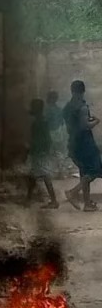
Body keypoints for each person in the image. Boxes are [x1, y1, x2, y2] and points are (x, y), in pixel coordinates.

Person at [64, 80, 101, 211]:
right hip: (85, 143)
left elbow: (73, 124)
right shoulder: (82, 107)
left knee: (84, 172)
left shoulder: (68, 106)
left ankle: (87, 204)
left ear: (72, 90)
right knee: (96, 170)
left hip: (74, 142)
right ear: (83, 91)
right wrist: (96, 121)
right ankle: (73, 192)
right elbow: (85, 126)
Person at [27, 97, 59, 208]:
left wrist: (32, 151)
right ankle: (28, 200)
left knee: (42, 175)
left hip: (39, 153)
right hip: (41, 152)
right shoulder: (42, 121)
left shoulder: (37, 123)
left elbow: (37, 140)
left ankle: (53, 201)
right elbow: (47, 139)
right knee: (34, 175)